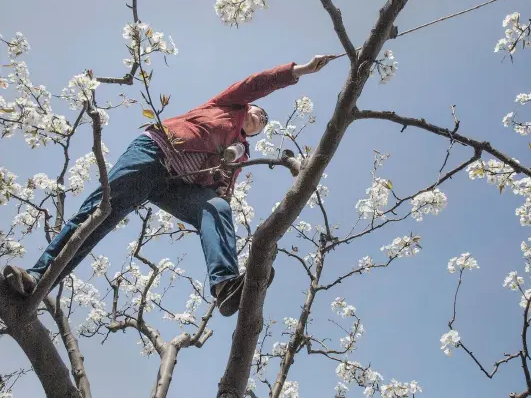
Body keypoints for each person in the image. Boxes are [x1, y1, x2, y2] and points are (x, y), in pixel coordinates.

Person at [3, 55, 332, 316]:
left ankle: (226, 286)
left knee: (217, 207)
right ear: (249, 108)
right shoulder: (228, 106)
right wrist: (300, 70)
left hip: (175, 186)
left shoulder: (242, 153)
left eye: (261, 123)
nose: (259, 119)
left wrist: (226, 177)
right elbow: (256, 83)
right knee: (98, 215)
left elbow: (221, 191)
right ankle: (37, 276)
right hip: (155, 153)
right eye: (259, 113)